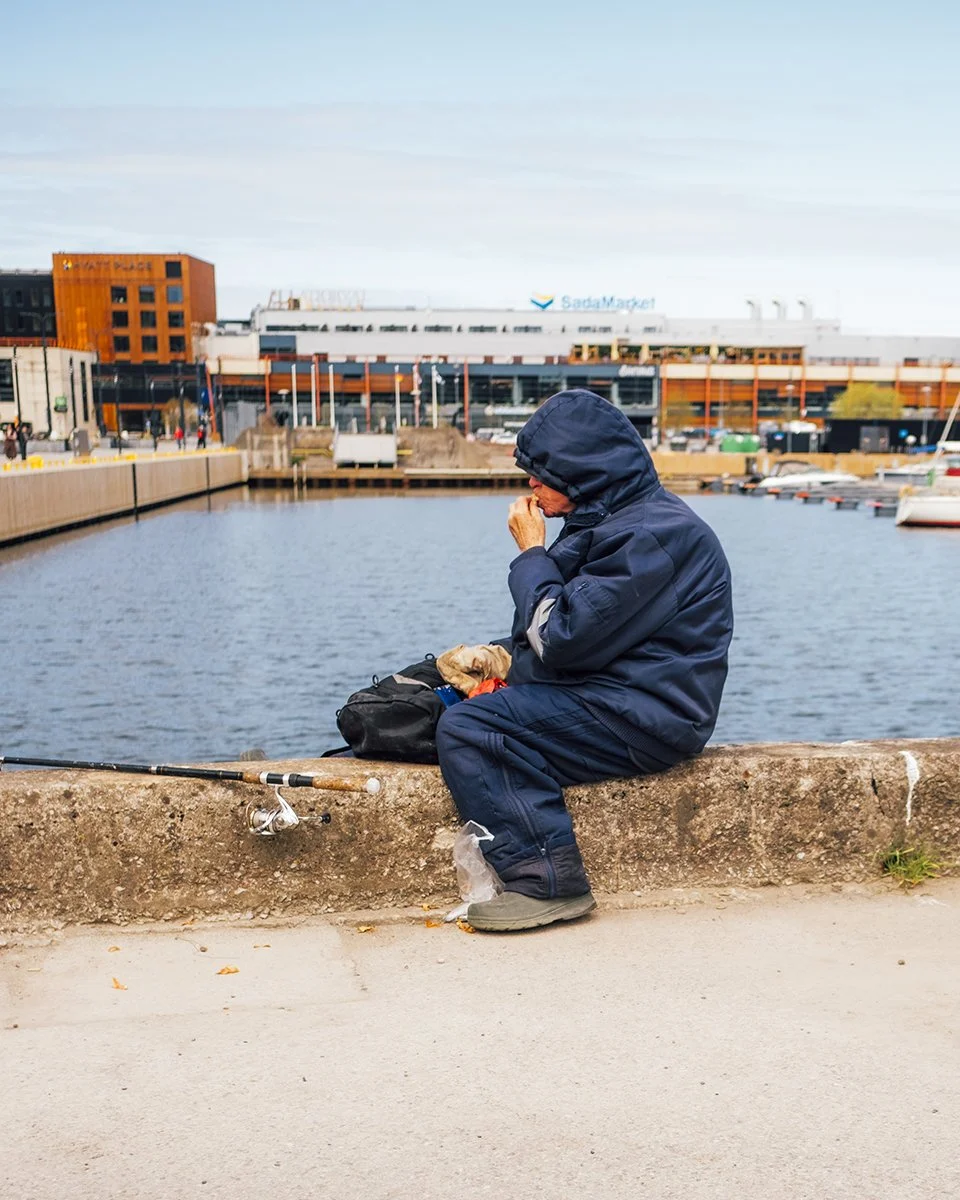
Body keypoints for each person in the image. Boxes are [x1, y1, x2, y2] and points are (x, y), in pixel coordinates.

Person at [435, 389, 733, 933]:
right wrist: (500, 663)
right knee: (431, 693)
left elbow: (562, 638)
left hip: (648, 716)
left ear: (584, 475)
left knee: (470, 728)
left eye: (542, 475)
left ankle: (547, 881)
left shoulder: (653, 536)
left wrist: (531, 554)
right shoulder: (611, 519)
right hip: (609, 691)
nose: (531, 484)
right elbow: (572, 636)